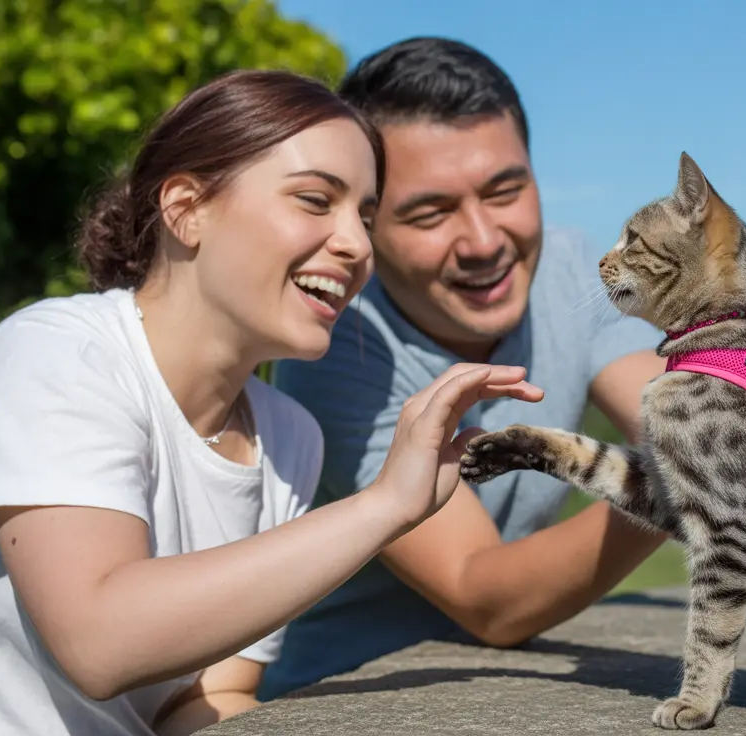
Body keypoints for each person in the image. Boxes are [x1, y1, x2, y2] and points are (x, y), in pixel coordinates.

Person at [0, 68, 542, 736]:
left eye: (366, 216)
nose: (356, 244)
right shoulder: (58, 355)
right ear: (185, 208)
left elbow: (203, 699)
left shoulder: (290, 435)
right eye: (316, 200)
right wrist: (387, 504)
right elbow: (99, 641)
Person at [257, 37, 673, 699]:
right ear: (365, 223)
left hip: (513, 686)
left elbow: (674, 408)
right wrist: (682, 480)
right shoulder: (338, 349)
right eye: (430, 212)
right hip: (350, 697)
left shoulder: (567, 266)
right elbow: (485, 595)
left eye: (505, 191)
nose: (483, 243)